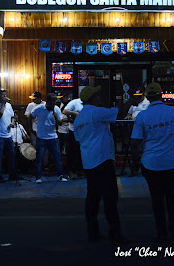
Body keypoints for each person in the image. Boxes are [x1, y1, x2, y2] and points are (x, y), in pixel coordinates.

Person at [131, 82, 174, 242]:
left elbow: (135, 141)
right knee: (171, 197)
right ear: (161, 94)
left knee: (157, 199)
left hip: (150, 162)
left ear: (147, 97)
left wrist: (135, 162)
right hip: (170, 161)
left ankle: (161, 232)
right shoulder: (173, 112)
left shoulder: (142, 116)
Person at [73, 86, 129, 243]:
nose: (99, 97)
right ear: (93, 98)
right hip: (103, 160)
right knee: (110, 198)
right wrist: (131, 100)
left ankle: (93, 232)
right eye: (97, 95)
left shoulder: (79, 119)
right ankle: (115, 232)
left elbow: (79, 140)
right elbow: (121, 113)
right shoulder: (96, 112)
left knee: (92, 198)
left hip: (89, 162)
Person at [30, 93, 68, 183]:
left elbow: (60, 123)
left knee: (57, 157)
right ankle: (38, 177)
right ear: (47, 102)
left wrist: (56, 117)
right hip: (41, 137)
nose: (53, 104)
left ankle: (60, 175)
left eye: (55, 102)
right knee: (39, 158)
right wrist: (31, 129)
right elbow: (31, 116)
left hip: (53, 137)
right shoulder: (39, 108)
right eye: (52, 102)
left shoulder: (56, 109)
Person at [0, 87, 17, 183]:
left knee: (12, 155)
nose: (5, 96)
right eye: (2, 94)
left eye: (5, 94)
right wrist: (3, 104)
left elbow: (13, 116)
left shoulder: (9, 105)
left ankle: (12, 174)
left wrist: (13, 122)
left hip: (7, 134)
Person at [63, 95, 85, 178]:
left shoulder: (89, 104)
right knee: (72, 151)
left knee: (82, 151)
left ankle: (81, 170)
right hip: (73, 130)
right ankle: (71, 171)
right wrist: (75, 113)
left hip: (84, 131)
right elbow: (65, 111)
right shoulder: (75, 102)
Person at [56, 91, 73, 178]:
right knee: (59, 149)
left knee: (68, 150)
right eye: (60, 98)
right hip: (60, 130)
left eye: (63, 97)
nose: (62, 99)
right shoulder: (60, 105)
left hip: (67, 130)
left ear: (67, 96)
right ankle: (60, 167)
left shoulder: (70, 105)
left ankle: (68, 167)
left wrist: (63, 121)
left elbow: (72, 119)